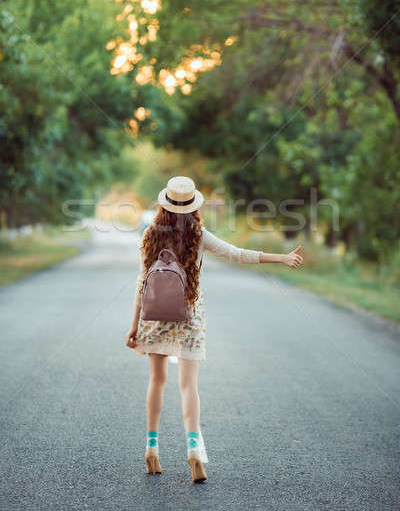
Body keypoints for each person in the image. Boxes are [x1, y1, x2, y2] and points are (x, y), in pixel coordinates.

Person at [125, 176, 303, 482]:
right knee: (188, 386)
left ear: (164, 204)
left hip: (154, 318)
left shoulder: (150, 235)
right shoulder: (198, 235)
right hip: (189, 316)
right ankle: (194, 450)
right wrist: (280, 258)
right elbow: (237, 254)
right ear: (193, 206)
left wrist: (133, 327)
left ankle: (151, 449)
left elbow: (142, 283)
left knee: (156, 379)